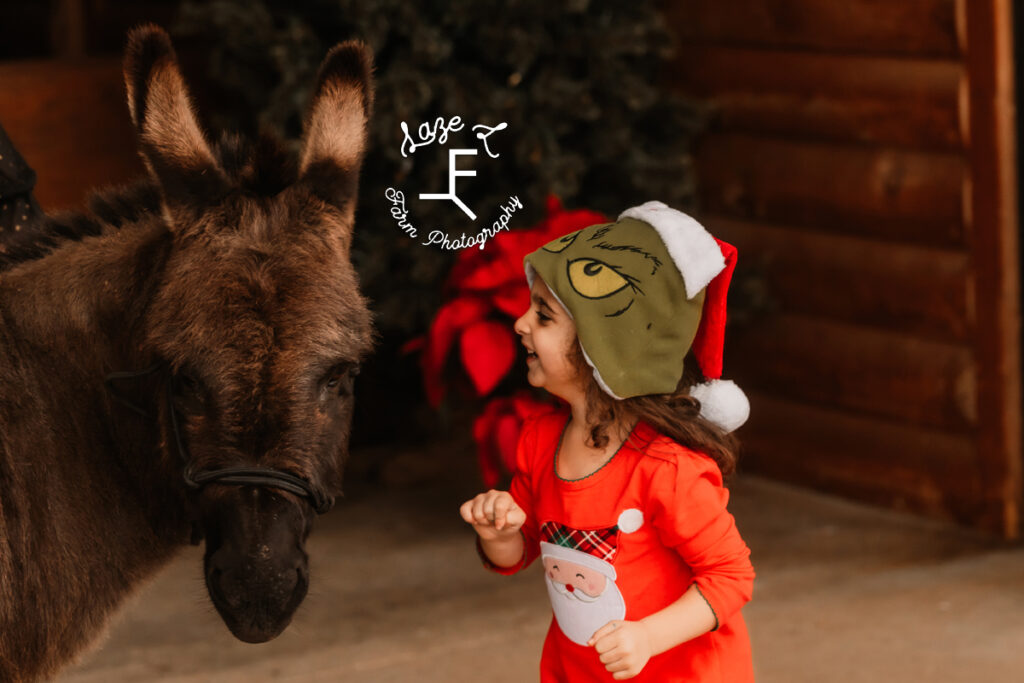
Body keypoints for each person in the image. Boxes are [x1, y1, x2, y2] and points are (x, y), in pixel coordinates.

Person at [460, 201, 755, 681]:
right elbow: (522, 553)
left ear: (603, 346)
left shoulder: (665, 467)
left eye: (545, 316)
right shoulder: (540, 440)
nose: (521, 324)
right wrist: (500, 535)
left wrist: (647, 637)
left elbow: (731, 576)